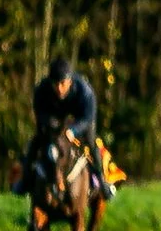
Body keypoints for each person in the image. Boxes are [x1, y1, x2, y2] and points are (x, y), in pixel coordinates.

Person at [17, 59, 109, 201]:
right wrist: (53, 126)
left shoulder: (85, 91)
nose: (59, 88)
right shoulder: (41, 90)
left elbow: (88, 118)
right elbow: (40, 114)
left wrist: (73, 130)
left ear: (70, 81)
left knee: (91, 144)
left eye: (62, 84)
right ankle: (25, 181)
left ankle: (102, 182)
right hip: (55, 121)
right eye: (55, 84)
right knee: (35, 143)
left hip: (80, 121)